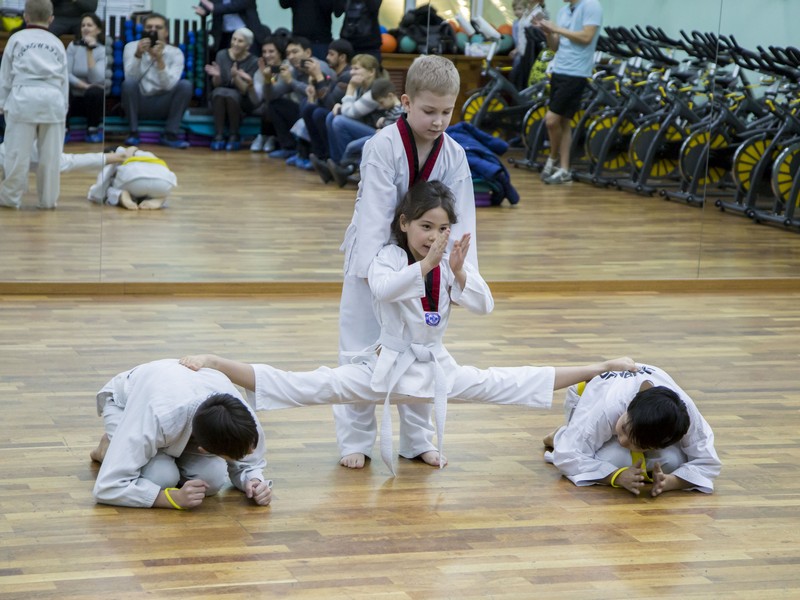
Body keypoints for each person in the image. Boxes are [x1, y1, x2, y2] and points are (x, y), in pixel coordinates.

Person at [181, 180, 637, 474]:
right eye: (424, 226)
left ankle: (599, 366)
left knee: (507, 381)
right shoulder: (391, 257)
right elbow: (382, 290)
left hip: (434, 367)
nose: (433, 236)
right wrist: (427, 267)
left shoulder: (449, 262)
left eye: (442, 228)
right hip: (385, 365)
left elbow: (485, 305)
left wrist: (457, 272)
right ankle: (218, 362)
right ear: (404, 224)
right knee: (307, 385)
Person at [334, 55, 478, 470]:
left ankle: (417, 439)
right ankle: (355, 439)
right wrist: (383, 279)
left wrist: (454, 269)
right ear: (405, 102)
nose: (437, 121)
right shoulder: (382, 146)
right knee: (362, 352)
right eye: (429, 110)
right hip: (375, 263)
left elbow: (461, 218)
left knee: (422, 350)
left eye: (446, 112)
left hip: (430, 260)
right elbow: (377, 217)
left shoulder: (454, 155)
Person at [90, 359, 272, 509]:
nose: (250, 452)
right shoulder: (156, 416)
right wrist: (171, 499)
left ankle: (149, 456)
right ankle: (108, 448)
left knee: (212, 480)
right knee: (162, 478)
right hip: (125, 404)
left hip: (177, 417)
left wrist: (254, 480)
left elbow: (250, 462)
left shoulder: (242, 418)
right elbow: (107, 488)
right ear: (204, 449)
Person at [543, 363, 722, 496]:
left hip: (636, 423)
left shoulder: (686, 416)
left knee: (672, 462)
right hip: (584, 399)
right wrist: (616, 476)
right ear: (629, 407)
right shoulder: (607, 409)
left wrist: (672, 482)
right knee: (617, 458)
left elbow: (708, 462)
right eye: (624, 430)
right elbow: (568, 456)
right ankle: (560, 435)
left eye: (638, 444)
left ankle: (634, 440)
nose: (622, 441)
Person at [0, 0, 68, 210]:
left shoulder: (16, 39)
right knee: (51, 156)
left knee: (16, 153)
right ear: (51, 19)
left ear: (25, 17)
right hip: (53, 99)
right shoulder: (57, 43)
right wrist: (63, 109)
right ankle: (47, 201)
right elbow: (63, 79)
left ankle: (10, 199)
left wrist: (3, 104)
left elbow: (5, 77)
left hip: (23, 98)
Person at [538, 0, 602, 184]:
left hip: (576, 73)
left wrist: (556, 29)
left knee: (551, 120)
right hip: (559, 69)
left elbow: (586, 37)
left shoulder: (591, 6)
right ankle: (565, 169)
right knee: (564, 122)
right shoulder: (565, 10)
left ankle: (552, 159)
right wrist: (549, 33)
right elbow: (555, 46)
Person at [121, 12, 193, 149]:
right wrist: (138, 55)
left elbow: (169, 85)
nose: (153, 30)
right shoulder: (131, 47)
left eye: (158, 27)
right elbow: (130, 80)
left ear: (166, 32)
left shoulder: (175, 53)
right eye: (149, 27)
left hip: (164, 103)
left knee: (185, 85)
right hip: (140, 102)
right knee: (128, 84)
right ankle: (133, 133)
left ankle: (170, 134)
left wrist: (160, 60)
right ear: (143, 30)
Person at [265, 36, 334, 169]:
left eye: (295, 52)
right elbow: (271, 96)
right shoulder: (294, 71)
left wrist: (291, 82)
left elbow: (318, 96)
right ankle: (289, 148)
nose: (291, 57)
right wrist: (267, 81)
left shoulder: (319, 67)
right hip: (305, 111)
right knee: (275, 105)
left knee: (307, 105)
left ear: (307, 53)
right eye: (288, 54)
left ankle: (311, 153)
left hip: (325, 110)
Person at [323, 77, 403, 187]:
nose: (380, 106)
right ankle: (343, 169)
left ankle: (343, 170)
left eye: (381, 102)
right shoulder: (391, 110)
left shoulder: (399, 111)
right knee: (354, 146)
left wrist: (383, 125)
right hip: (379, 135)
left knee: (355, 146)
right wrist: (382, 122)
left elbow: (395, 130)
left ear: (390, 96)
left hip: (384, 138)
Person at [323, 53, 384, 181]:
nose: (351, 72)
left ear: (371, 72)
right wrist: (339, 105)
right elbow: (349, 108)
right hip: (367, 127)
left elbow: (350, 113)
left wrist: (350, 88)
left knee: (339, 121)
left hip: (379, 133)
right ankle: (336, 164)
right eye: (352, 69)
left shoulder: (377, 89)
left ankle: (346, 167)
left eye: (356, 69)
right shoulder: (362, 87)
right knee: (331, 116)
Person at [303, 38, 353, 178]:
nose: (327, 58)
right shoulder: (336, 75)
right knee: (309, 109)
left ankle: (330, 158)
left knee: (320, 113)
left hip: (348, 116)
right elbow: (323, 101)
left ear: (342, 57)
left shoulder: (347, 76)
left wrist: (319, 78)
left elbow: (330, 104)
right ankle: (321, 157)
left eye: (331, 54)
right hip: (336, 113)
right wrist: (314, 91)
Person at [205, 27, 259, 151]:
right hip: (221, 93)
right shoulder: (221, 55)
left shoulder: (254, 61)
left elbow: (246, 90)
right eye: (234, 39)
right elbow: (217, 85)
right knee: (219, 92)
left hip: (243, 98)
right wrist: (217, 76)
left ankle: (234, 135)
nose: (235, 43)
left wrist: (236, 77)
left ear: (247, 46)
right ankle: (218, 135)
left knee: (231, 95)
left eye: (240, 41)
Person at [87, 146, 177, 210]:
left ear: (110, 153)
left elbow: (100, 187)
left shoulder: (117, 156)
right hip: (165, 184)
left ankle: (121, 196)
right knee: (149, 188)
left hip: (134, 180)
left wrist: (93, 193)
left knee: (109, 188)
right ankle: (160, 199)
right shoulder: (147, 154)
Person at [66, 12, 106, 144]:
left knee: (96, 92)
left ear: (98, 30)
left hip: (92, 98)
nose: (85, 28)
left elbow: (97, 80)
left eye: (89, 25)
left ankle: (92, 128)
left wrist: (90, 51)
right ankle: (64, 129)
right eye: (83, 25)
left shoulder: (101, 50)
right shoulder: (73, 46)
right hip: (73, 96)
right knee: (62, 88)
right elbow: (65, 73)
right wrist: (85, 86)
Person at [249, 36, 288, 153]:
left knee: (272, 103)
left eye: (271, 51)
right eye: (264, 52)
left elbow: (276, 93)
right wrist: (250, 86)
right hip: (266, 108)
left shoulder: (286, 67)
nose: (267, 55)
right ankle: (264, 136)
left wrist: (268, 79)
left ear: (280, 53)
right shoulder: (261, 70)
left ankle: (271, 137)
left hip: (288, 106)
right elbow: (257, 100)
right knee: (267, 105)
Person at [194, 0, 269, 56]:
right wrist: (204, 10)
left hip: (247, 33)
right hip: (223, 35)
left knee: (249, 64)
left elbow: (239, 4)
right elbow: (206, 4)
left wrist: (214, 7)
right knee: (223, 65)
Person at [278, 0, 346, 60]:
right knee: (295, 72)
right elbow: (284, 4)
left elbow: (338, 11)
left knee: (321, 71)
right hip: (298, 41)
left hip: (321, 42)